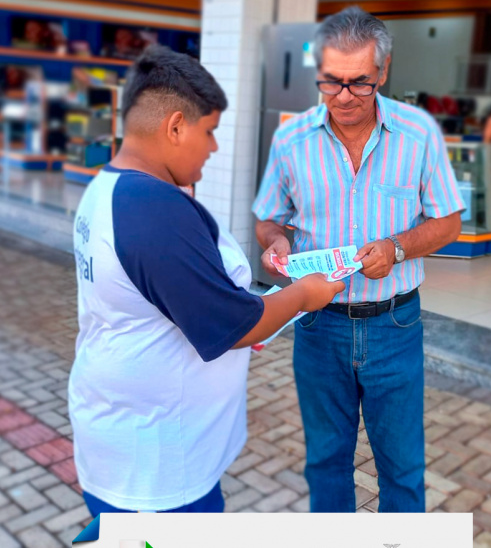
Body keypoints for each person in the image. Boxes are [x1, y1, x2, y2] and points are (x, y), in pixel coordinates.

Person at [69, 46, 343, 516]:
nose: (214, 148)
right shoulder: (153, 208)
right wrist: (304, 294)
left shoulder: (108, 187)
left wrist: (243, 305)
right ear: (175, 127)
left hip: (122, 442)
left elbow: (181, 298)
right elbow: (235, 326)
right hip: (158, 473)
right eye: (210, 131)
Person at [252, 7, 466, 513]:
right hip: (317, 326)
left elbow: (448, 223)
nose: (344, 98)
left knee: (402, 468)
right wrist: (276, 243)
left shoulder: (419, 135)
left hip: (394, 323)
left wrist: (396, 249)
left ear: (383, 73)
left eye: (359, 84)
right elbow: (267, 218)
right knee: (326, 462)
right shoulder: (291, 140)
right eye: (331, 83)